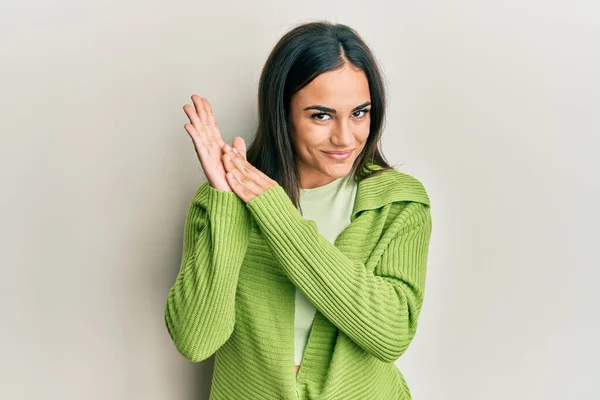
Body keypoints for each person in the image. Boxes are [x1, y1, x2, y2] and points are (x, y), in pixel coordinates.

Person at [164, 20, 433, 399]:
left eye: (359, 113)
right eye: (321, 115)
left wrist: (276, 214)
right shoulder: (222, 200)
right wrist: (226, 203)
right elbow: (196, 340)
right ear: (282, 113)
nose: (345, 137)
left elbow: (390, 335)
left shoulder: (398, 202)